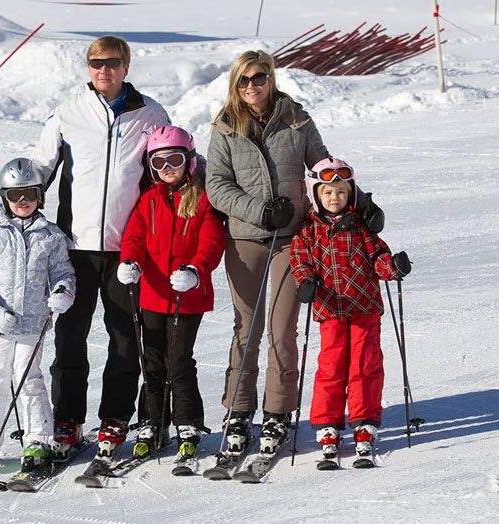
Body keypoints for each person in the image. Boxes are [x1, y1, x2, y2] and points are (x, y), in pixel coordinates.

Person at [205, 50, 384, 457]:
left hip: (293, 239)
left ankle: (278, 410)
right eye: (244, 79)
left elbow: (323, 166)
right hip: (246, 236)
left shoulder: (296, 118)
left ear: (271, 78)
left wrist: (358, 201)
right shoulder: (225, 127)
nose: (252, 85)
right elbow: (216, 185)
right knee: (246, 326)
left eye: (259, 77)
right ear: (235, 83)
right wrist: (260, 211)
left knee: (281, 326)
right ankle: (239, 409)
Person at [30, 35, 170, 458]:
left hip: (128, 250)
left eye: (111, 62)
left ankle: (115, 418)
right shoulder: (68, 112)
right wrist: (13, 194)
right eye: (95, 63)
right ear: (87, 68)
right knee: (70, 338)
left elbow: (172, 162)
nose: (103, 70)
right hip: (73, 247)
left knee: (125, 338)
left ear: (126, 66)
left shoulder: (150, 114)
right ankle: (68, 420)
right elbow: (41, 165)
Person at [289, 157, 412, 463]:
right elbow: (300, 260)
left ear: (351, 193)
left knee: (365, 365)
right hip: (330, 309)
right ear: (316, 194)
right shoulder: (308, 230)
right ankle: (327, 424)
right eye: (328, 192)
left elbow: (378, 258)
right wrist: (306, 282)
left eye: (341, 192)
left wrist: (393, 267)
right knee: (330, 367)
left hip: (364, 308)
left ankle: (364, 422)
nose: (335, 198)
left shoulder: (362, 226)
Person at [117, 125, 226, 461]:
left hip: (186, 295)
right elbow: (134, 237)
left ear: (189, 161)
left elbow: (212, 242)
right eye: (159, 163)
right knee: (152, 361)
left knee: (178, 361)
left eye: (174, 160)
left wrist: (196, 270)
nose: (167, 169)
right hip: (151, 292)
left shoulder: (202, 199)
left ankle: (187, 421)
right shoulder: (148, 201)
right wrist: (129, 261)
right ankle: (151, 420)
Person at [0, 158, 76, 474]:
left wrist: (63, 291)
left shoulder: (50, 235)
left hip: (33, 321)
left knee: (29, 378)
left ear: (40, 195)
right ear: (4, 198)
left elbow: (62, 271)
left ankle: (38, 440)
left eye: (29, 194)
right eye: (15, 196)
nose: (23, 201)